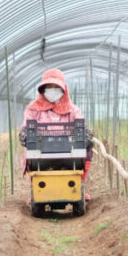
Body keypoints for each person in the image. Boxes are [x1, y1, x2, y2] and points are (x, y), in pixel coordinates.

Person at [18, 68, 94, 198]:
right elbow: (24, 130)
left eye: (56, 87)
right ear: (43, 90)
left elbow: (82, 128)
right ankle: (37, 188)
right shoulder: (33, 109)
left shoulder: (72, 110)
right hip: (41, 151)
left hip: (68, 152)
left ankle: (79, 183)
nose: (53, 91)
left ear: (63, 90)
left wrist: (85, 137)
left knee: (88, 150)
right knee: (31, 153)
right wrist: (27, 137)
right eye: (49, 87)